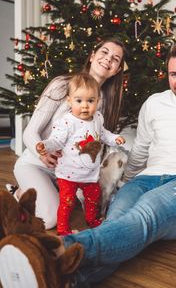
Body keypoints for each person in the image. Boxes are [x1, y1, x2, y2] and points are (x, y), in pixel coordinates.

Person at [52, 40, 176, 286]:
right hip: (146, 179)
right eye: (174, 74)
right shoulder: (155, 103)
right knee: (117, 224)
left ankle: (55, 250)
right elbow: (140, 150)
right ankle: (65, 281)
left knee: (145, 213)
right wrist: (126, 184)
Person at [7, 38, 127, 230]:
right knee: (49, 219)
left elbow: (96, 145)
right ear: (92, 56)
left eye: (115, 58)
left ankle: (39, 193)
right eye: (104, 52)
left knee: (86, 209)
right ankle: (18, 194)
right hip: (36, 165)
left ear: (117, 69)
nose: (108, 59)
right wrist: (42, 153)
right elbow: (30, 131)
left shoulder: (107, 103)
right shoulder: (61, 85)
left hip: (69, 175)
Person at [36, 73, 125, 235]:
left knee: (94, 198)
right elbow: (56, 141)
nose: (85, 106)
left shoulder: (97, 118)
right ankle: (63, 229)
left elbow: (103, 134)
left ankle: (92, 220)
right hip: (68, 175)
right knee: (67, 202)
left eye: (90, 101)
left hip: (90, 175)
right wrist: (46, 146)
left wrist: (115, 138)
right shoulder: (67, 122)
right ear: (69, 100)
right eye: (79, 101)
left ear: (97, 101)